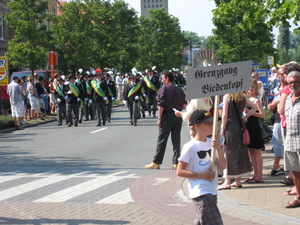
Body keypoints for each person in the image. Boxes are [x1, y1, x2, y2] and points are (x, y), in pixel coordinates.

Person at [177, 109, 226, 225]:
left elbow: (222, 167)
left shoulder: (212, 143)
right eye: (208, 123)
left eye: (212, 123)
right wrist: (202, 175)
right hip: (200, 192)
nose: (211, 126)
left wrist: (219, 149)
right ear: (197, 126)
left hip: (212, 190)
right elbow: (179, 171)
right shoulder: (190, 146)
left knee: (201, 221)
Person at [145, 71, 186, 170]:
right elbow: (184, 105)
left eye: (163, 78)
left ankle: (156, 162)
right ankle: (176, 163)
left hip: (167, 116)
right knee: (176, 140)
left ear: (167, 79)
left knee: (162, 140)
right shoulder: (179, 89)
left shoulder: (163, 89)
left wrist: (159, 118)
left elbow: (161, 105)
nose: (161, 80)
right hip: (178, 115)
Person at [218, 92, 257, 189]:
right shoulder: (243, 97)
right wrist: (245, 116)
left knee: (229, 152)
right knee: (241, 152)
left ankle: (227, 181)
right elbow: (255, 107)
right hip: (240, 126)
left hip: (230, 126)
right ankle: (238, 180)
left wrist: (223, 128)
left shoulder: (227, 96)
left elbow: (225, 114)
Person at [283, 71, 300, 208]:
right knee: (295, 171)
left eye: (296, 81)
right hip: (290, 140)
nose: (293, 84)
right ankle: (299, 197)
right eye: (291, 82)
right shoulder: (288, 98)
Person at [244, 79, 266, 183]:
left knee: (256, 151)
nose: (250, 89)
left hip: (254, 126)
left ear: (256, 88)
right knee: (250, 151)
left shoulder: (257, 100)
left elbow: (262, 115)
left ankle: (259, 175)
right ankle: (255, 174)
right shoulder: (246, 99)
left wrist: (251, 112)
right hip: (247, 126)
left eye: (252, 87)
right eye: (249, 87)